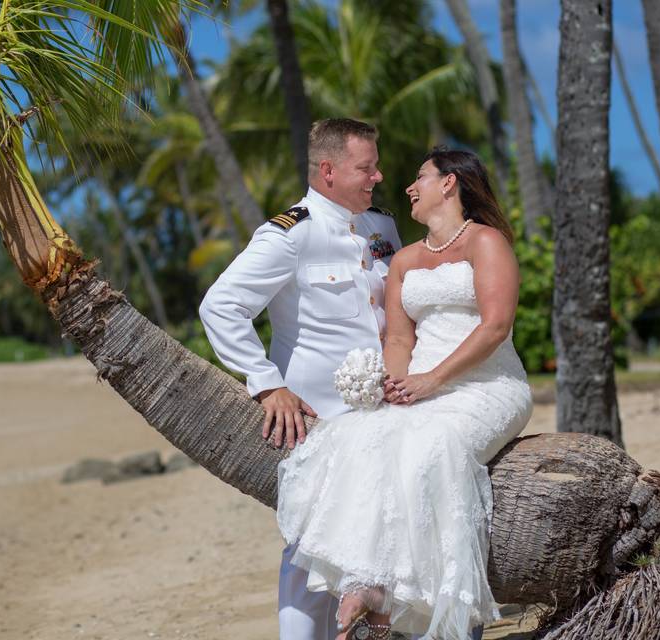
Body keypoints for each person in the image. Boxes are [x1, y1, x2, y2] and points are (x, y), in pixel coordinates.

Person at [276, 147, 533, 640]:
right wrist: (393, 384)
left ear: (450, 183)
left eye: (421, 177)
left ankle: (419, 605)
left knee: (432, 445)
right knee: (355, 439)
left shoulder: (487, 243)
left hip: (487, 385)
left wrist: (432, 379)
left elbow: (496, 326)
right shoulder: (406, 260)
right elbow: (397, 339)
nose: (409, 187)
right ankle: (370, 586)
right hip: (419, 386)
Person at [199, 118, 402, 639]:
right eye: (366, 167)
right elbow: (221, 306)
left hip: (390, 413)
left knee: (390, 536)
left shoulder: (382, 228)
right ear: (329, 170)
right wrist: (267, 383)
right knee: (313, 546)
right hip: (321, 420)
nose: (377, 176)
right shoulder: (292, 232)